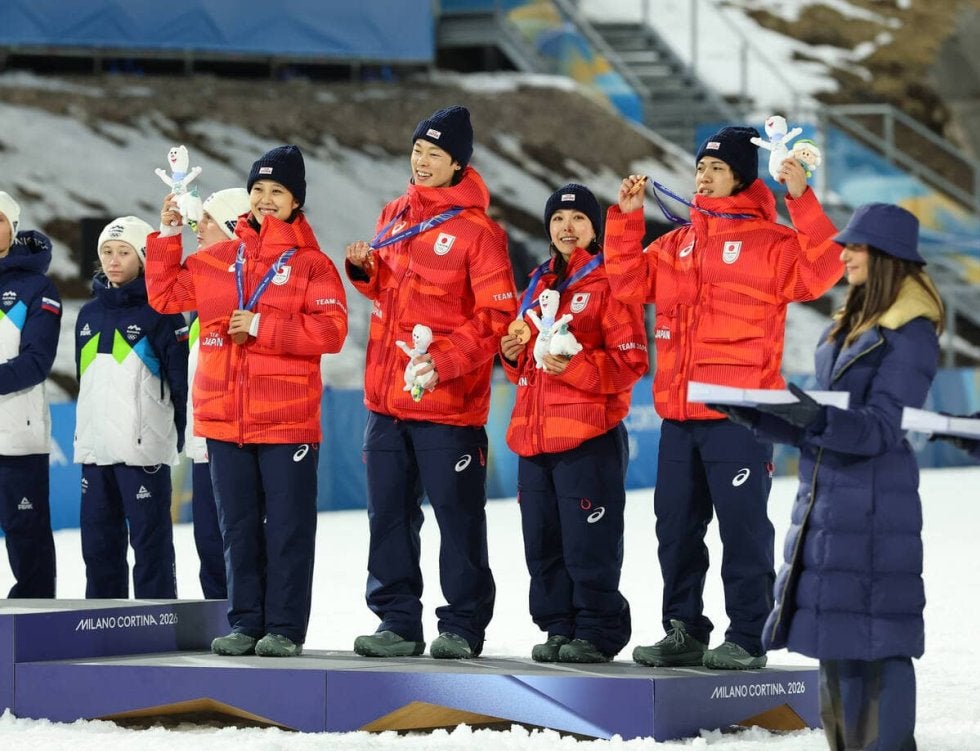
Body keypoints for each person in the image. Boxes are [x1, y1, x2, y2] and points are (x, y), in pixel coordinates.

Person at [604, 126, 843, 669]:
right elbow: (625, 285)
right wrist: (624, 221)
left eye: (714, 167)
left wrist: (801, 199)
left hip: (740, 413)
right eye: (700, 167)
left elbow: (824, 269)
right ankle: (684, 630)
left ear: (740, 175)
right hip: (678, 414)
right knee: (676, 531)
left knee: (743, 531)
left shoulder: (774, 242)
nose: (702, 175)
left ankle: (747, 636)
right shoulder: (676, 243)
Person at [712, 202, 943, 750]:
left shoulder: (909, 333)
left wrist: (811, 414)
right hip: (827, 500)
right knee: (838, 648)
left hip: (873, 505)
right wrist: (768, 416)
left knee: (877, 648)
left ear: (886, 256)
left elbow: (882, 429)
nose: (844, 255)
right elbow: (827, 423)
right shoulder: (852, 321)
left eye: (855, 247)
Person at [145, 145, 348, 657]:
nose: (265, 199)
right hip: (225, 419)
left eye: (277, 191)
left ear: (296, 200)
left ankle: (282, 629)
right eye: (257, 190)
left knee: (286, 531)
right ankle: (245, 622)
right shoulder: (218, 260)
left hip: (286, 422)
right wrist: (168, 235)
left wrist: (262, 325)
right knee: (237, 531)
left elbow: (332, 331)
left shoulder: (312, 265)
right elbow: (166, 296)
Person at [345, 105, 518, 660]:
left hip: (450, 405)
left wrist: (441, 362)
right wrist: (367, 276)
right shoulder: (394, 213)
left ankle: (463, 626)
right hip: (386, 399)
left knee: (458, 521)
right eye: (418, 151)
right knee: (388, 519)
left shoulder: (481, 233)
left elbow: (495, 318)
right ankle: (397, 622)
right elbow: (395, 298)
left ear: (458, 163)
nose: (422, 163)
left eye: (435, 155)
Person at [499, 184, 647, 663]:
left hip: (588, 434)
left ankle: (598, 631)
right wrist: (511, 354)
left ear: (595, 229)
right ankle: (558, 626)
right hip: (534, 435)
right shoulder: (538, 282)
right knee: (542, 546)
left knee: (589, 546)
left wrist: (577, 366)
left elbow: (631, 362)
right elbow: (524, 364)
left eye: (579, 219)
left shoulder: (612, 282)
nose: (567, 228)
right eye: (559, 220)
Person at [74, 215, 188, 600]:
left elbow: (181, 385)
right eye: (106, 251)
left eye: (124, 252)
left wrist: (181, 436)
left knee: (150, 548)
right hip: (96, 451)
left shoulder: (163, 311)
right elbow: (86, 382)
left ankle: (158, 625)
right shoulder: (88, 314)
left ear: (143, 258)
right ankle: (100, 626)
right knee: (98, 548)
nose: (113, 260)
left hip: (143, 454)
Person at [181, 187, 251, 599]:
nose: (197, 228)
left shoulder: (250, 288)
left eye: (206, 221)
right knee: (209, 543)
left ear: (232, 228)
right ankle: (217, 628)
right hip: (203, 437)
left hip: (238, 437)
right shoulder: (202, 291)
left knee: (239, 544)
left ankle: (248, 625)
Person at [0, 191, 61, 598]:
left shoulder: (37, 287)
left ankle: (35, 621)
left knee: (27, 535)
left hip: (17, 433)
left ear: (14, 226)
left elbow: (38, 360)